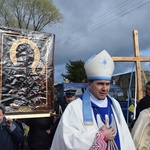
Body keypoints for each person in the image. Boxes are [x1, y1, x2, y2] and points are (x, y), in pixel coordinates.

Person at [50, 50, 136, 150]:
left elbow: (125, 136)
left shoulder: (114, 104)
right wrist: (100, 136)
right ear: (89, 85)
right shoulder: (75, 107)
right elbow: (67, 140)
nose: (104, 88)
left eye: (107, 84)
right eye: (100, 84)